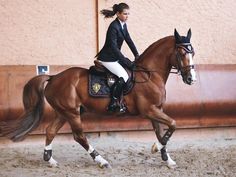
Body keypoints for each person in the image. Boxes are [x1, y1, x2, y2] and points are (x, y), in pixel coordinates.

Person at [96, 3, 139, 113]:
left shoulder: (123, 25)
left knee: (129, 70)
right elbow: (114, 47)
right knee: (124, 76)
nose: (127, 16)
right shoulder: (113, 27)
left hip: (114, 57)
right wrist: (125, 60)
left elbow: (129, 40)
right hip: (107, 58)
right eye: (125, 14)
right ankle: (113, 102)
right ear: (118, 14)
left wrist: (137, 55)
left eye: (128, 14)